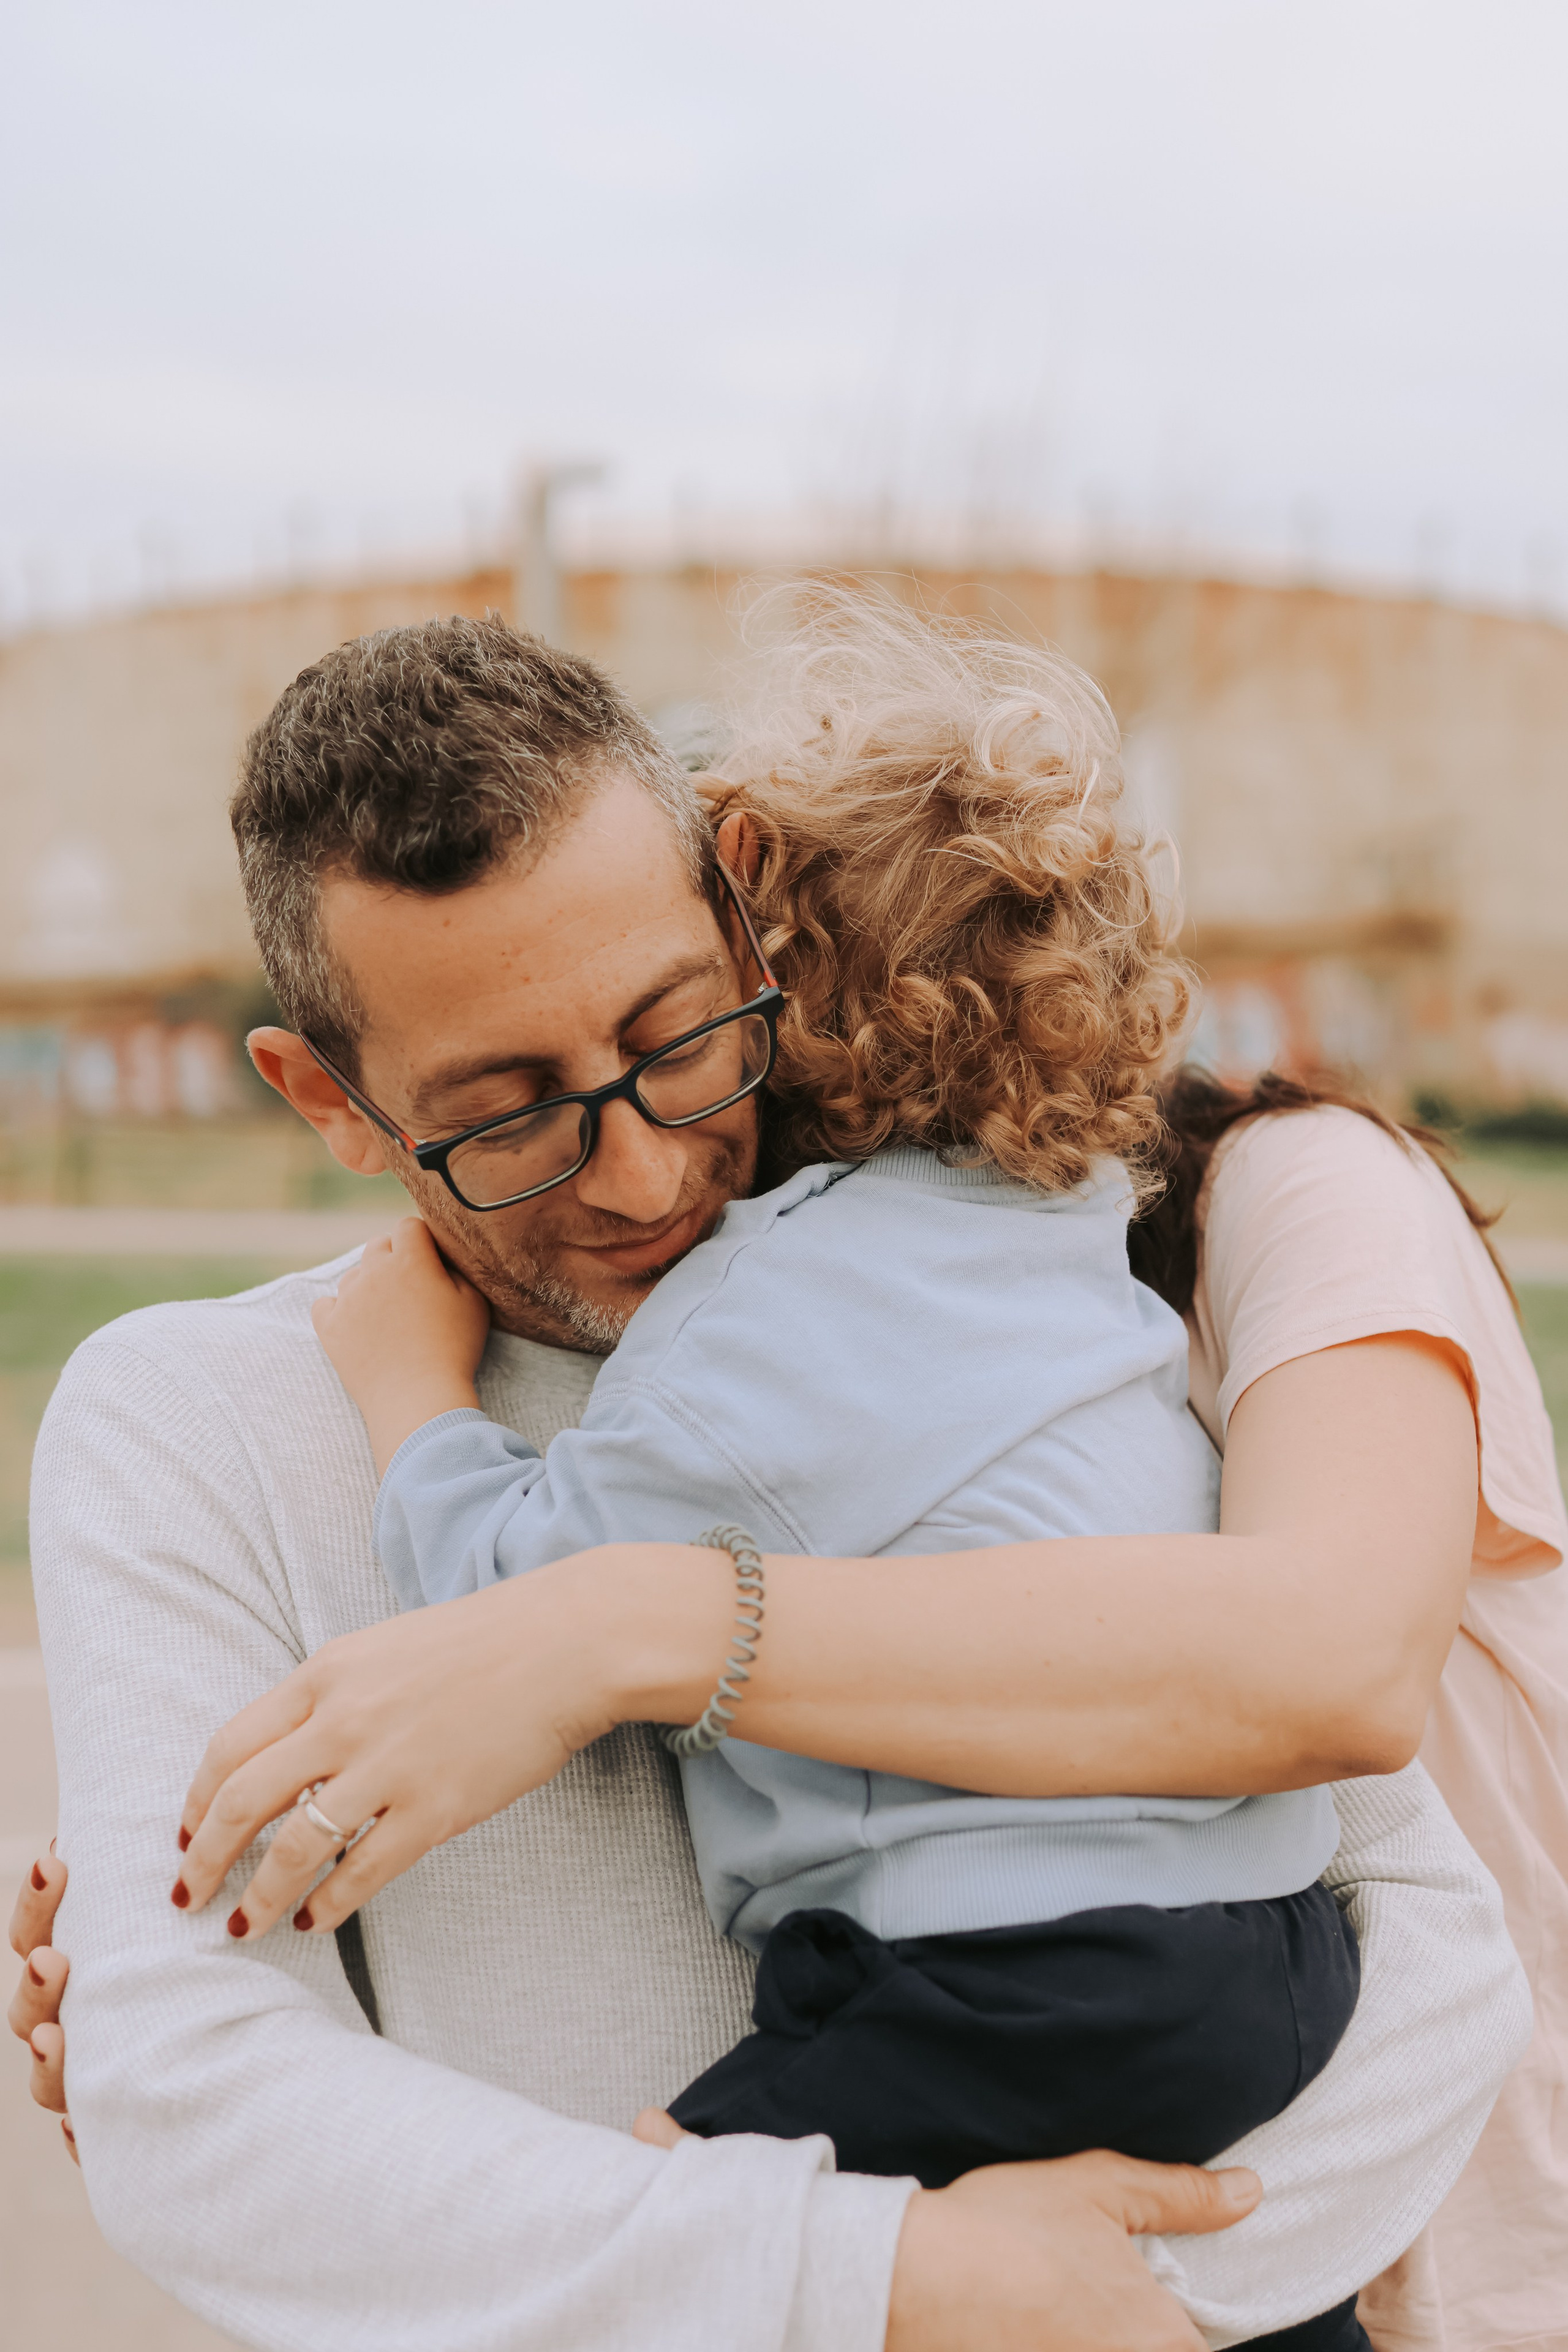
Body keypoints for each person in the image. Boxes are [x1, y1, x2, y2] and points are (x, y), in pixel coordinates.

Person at [6, 606, 1544, 2350]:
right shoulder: (188, 1424)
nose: (645, 1174)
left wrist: (1090, 2310)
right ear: (330, 1099)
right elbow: (201, 2107)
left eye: (679, 1036)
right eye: (506, 1115)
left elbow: (1427, 1952)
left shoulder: (1011, 1318)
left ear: (746, 926)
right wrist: (896, 2285)